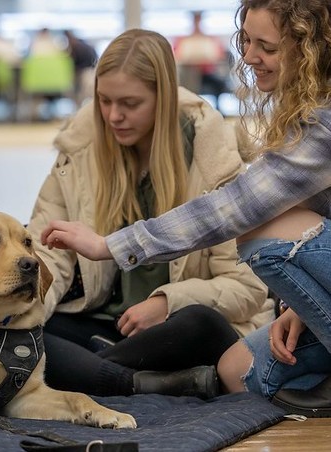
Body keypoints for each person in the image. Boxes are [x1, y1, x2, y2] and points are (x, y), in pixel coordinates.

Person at [40, 0, 331, 415]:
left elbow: (235, 217)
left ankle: (96, 378)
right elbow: (44, 247)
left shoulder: (308, 127)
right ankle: (121, 378)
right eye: (246, 41)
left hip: (181, 322)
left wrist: (133, 267)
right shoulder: (77, 151)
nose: (248, 56)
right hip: (108, 327)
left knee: (259, 237)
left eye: (265, 45)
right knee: (237, 372)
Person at [27, 29, 272, 399]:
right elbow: (50, 253)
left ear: (165, 98)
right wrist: (24, 309)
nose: (113, 115)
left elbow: (247, 290)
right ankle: (135, 380)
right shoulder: (79, 151)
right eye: (104, 101)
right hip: (108, 327)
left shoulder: (213, 163)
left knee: (198, 322)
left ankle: (88, 370)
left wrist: (165, 302)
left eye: (129, 103)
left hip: (177, 331)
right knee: (24, 330)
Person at [172, 11, 230, 106]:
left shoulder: (211, 39)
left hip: (207, 74)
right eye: (195, 20)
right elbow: (176, 57)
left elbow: (220, 56)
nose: (197, 23)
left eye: (199, 20)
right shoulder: (182, 40)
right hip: (187, 75)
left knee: (219, 84)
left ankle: (218, 110)